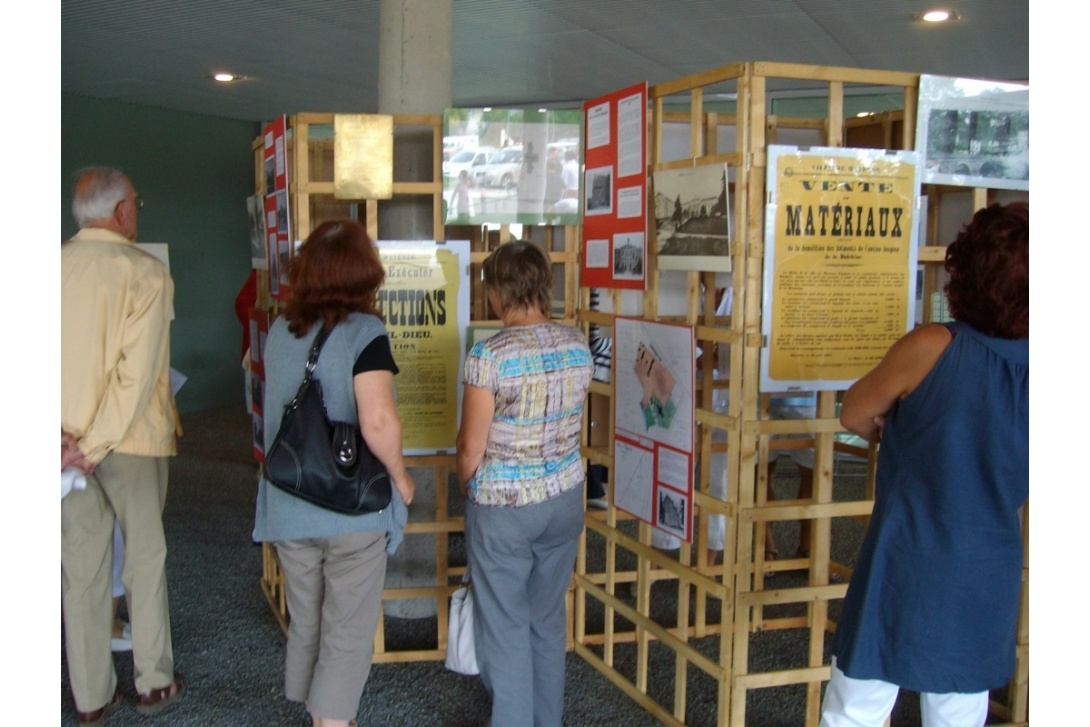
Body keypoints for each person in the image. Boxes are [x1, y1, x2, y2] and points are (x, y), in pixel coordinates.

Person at [820, 202, 1029, 727]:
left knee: (857, 704)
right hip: (988, 558)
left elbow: (856, 412)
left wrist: (901, 433)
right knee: (959, 707)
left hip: (908, 547)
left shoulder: (933, 346)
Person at [253, 219, 415, 727]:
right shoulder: (366, 333)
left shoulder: (281, 329)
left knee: (308, 620)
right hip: (351, 506)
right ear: (365, 272)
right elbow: (378, 421)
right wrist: (401, 478)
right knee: (346, 629)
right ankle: (332, 721)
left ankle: (319, 713)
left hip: (288, 499)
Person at [62, 166, 185, 723]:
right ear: (119, 213)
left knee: (80, 568)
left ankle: (90, 697)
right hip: (130, 442)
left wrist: (64, 443)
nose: (138, 209)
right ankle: (153, 682)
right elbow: (134, 380)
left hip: (60, 447)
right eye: (137, 202)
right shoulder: (146, 274)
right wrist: (95, 445)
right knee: (143, 558)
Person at [456, 240, 593, 727]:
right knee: (546, 619)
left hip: (505, 506)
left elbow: (471, 448)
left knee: (507, 628)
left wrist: (468, 488)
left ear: (499, 291)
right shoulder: (577, 344)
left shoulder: (488, 356)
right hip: (564, 499)